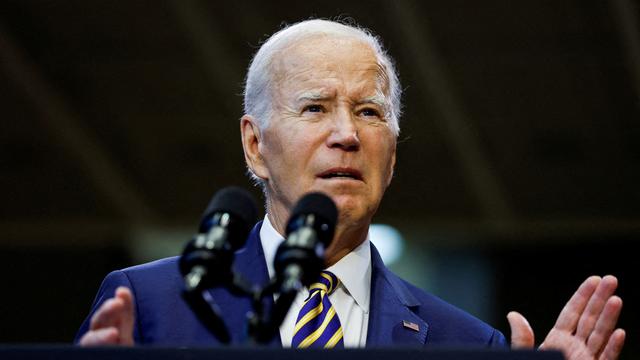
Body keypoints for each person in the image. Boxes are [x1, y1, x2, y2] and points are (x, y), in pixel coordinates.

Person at [76, 19, 625, 358]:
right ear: (254, 146)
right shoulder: (149, 307)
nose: (346, 134)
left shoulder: (466, 346)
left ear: (391, 155)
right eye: (315, 108)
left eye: (369, 112)